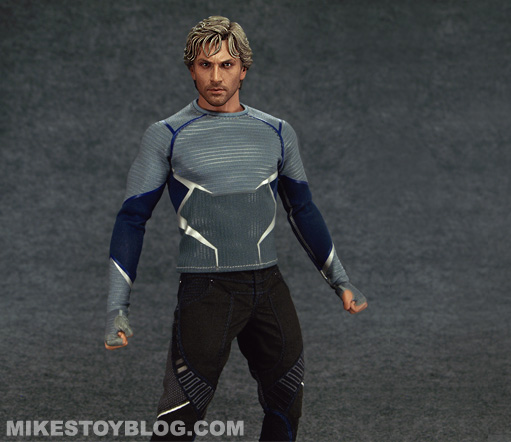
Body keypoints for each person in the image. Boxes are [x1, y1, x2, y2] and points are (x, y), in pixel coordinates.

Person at [104, 15, 367, 442]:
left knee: (287, 401)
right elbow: (132, 218)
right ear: (191, 69)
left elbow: (302, 209)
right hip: (207, 292)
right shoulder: (166, 135)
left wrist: (341, 280)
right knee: (179, 417)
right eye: (205, 65)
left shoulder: (277, 132)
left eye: (226, 65)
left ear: (243, 69)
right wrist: (118, 306)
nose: (216, 77)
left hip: (268, 288)